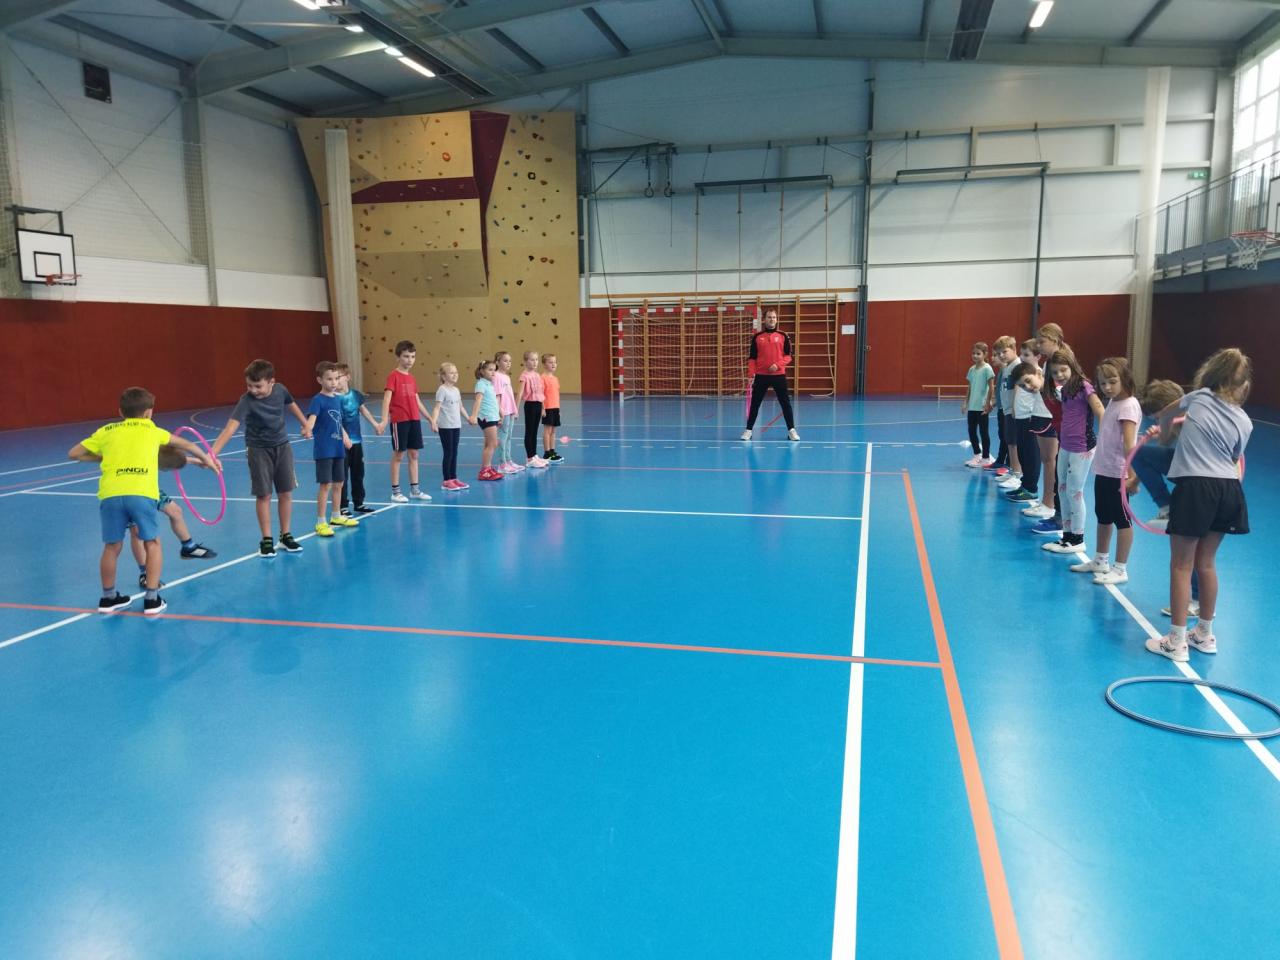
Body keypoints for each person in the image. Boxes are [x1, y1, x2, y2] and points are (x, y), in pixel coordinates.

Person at [69, 386, 218, 615]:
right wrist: (207, 460)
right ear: (149, 412)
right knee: (152, 543)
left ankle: (108, 598)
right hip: (141, 492)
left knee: (111, 547)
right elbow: (187, 445)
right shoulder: (153, 431)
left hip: (110, 494)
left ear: (120, 412)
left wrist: (104, 457)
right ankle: (151, 599)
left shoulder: (107, 431)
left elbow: (74, 454)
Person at [1145, 348, 1252, 662]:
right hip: (1229, 490)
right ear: (1243, 385)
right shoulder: (1245, 421)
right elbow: (1233, 458)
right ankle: (1204, 634)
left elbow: (1166, 415)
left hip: (1196, 488)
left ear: (1210, 375)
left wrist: (1164, 437)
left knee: (1181, 565)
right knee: (1206, 563)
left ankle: (1176, 641)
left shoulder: (1199, 396)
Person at [210, 358, 311, 559]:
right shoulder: (246, 401)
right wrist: (212, 453)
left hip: (282, 447)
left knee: (285, 492)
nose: (253, 390)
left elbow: (292, 405)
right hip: (258, 450)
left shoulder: (281, 390)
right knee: (263, 495)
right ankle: (266, 540)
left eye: (258, 386)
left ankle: (286, 536)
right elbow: (230, 428)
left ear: (271, 382)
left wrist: (305, 424)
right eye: (249, 385)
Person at [1070, 358, 1141, 584]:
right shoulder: (1113, 402)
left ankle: (1120, 568)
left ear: (1124, 379)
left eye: (1112, 382)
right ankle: (1101, 560)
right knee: (1103, 516)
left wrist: (1132, 475)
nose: (1107, 387)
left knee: (1122, 520)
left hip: (1119, 473)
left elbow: (1129, 444)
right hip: (1104, 470)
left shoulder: (1128, 405)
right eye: (1102, 383)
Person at [1040, 350, 1104, 555]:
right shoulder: (1065, 389)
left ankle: (1078, 538)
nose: (1059, 375)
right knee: (1062, 490)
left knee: (1075, 492)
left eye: (1063, 370)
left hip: (1082, 447)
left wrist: (1108, 439)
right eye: (1055, 372)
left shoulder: (1084, 386)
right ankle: (1067, 536)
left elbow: (1099, 410)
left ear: (1072, 367)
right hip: (1065, 445)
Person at [126, 489, 217, 589]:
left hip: (148, 485)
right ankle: (145, 574)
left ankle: (188, 547)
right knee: (137, 529)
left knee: (175, 511)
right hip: (128, 489)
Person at [305, 361, 357, 537]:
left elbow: (338, 422)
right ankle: (321, 522)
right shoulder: (317, 400)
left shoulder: (336, 399)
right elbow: (312, 419)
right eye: (329, 379)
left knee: (339, 483)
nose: (334, 382)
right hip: (324, 450)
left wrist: (345, 436)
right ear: (320, 380)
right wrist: (308, 428)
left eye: (336, 378)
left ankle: (336, 516)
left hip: (337, 448)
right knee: (325, 485)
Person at [379, 340, 433, 503]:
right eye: (406, 356)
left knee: (414, 454)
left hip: (414, 419)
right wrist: (384, 420)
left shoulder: (411, 378)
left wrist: (430, 418)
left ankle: (415, 490)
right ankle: (395, 492)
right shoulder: (393, 376)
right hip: (400, 420)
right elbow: (386, 399)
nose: (410, 360)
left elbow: (417, 400)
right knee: (399, 454)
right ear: (398, 357)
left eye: (412, 357)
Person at [1004, 343, 1052, 509]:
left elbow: (1039, 401)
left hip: (1031, 418)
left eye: (1026, 354)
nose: (1022, 357)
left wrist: (1032, 415)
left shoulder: (1038, 375)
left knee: (1032, 454)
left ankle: (1031, 489)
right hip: (1021, 417)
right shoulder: (1023, 375)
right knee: (1023, 453)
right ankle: (1025, 485)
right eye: (1021, 354)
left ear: (1037, 356)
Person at [741, 308, 800, 441]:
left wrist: (777, 365)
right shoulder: (757, 337)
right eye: (769, 317)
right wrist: (751, 375)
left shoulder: (783, 336)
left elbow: (788, 356)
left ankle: (791, 430)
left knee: (785, 403)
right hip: (761, 376)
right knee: (755, 404)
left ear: (776, 320)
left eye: (774, 317)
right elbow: (752, 358)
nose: (772, 319)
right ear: (764, 319)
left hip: (779, 376)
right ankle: (748, 430)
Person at [336, 362, 382, 517]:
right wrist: (344, 437)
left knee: (358, 473)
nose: (336, 381)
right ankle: (342, 505)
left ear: (347, 377)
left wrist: (375, 424)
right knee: (342, 476)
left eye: (339, 377)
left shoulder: (355, 395)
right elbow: (335, 420)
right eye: (333, 378)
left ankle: (359, 502)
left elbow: (363, 410)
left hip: (356, 442)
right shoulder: (333, 398)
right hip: (340, 443)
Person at [430, 362, 468, 490]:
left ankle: (453, 478)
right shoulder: (442, 390)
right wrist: (433, 421)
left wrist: (468, 418)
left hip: (456, 425)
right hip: (445, 426)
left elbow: (460, 407)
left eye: (456, 372)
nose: (455, 375)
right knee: (448, 452)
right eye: (451, 373)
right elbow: (437, 407)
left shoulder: (456, 390)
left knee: (454, 452)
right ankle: (446, 481)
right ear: (443, 376)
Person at [987, 335, 1019, 476]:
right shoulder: (1007, 368)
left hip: (1013, 411)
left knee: (1013, 442)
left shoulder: (1016, 366)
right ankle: (1012, 470)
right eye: (998, 353)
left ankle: (1015, 471)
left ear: (1014, 349)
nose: (1001, 355)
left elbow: (1018, 389)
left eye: (1004, 352)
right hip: (1006, 409)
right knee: (1008, 440)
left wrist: (1014, 407)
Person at [470, 359, 504, 481]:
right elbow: (478, 400)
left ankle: (487, 468)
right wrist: (474, 415)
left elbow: (493, 401)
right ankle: (485, 471)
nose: (493, 372)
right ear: (482, 371)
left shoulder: (490, 384)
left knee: (489, 443)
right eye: (490, 370)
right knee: (493, 444)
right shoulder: (481, 384)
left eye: (494, 370)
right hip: (486, 417)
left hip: (492, 416)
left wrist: (500, 413)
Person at [962, 341, 995, 467]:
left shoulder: (987, 369)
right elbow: (970, 387)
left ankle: (986, 458)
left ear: (985, 354)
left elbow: (991, 387)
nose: (975, 356)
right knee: (971, 431)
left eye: (978, 353)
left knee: (983, 432)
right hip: (972, 406)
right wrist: (965, 402)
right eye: (973, 353)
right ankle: (977, 455)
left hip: (982, 407)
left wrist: (988, 403)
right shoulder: (972, 369)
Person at [516, 350, 549, 468]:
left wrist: (543, 408)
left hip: (538, 405)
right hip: (530, 406)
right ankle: (529, 458)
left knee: (535, 432)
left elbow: (540, 393)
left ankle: (534, 455)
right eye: (532, 360)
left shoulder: (537, 375)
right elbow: (520, 393)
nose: (535, 362)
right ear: (526, 361)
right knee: (529, 432)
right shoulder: (524, 376)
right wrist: (516, 409)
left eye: (536, 360)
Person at [493, 351, 523, 474]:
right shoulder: (496, 376)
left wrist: (515, 410)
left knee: (509, 436)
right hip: (503, 412)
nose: (508, 363)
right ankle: (502, 463)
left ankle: (509, 460)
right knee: (503, 437)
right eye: (505, 361)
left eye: (510, 361)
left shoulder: (506, 377)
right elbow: (497, 396)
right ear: (497, 362)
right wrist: (500, 412)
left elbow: (509, 396)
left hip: (510, 410)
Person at [540, 353, 564, 463]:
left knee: (553, 431)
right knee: (547, 430)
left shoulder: (555, 378)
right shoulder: (542, 378)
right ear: (544, 364)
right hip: (547, 408)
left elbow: (556, 394)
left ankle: (552, 451)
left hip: (555, 408)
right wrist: (543, 408)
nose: (553, 364)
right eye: (550, 362)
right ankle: (547, 453)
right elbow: (540, 395)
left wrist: (558, 409)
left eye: (555, 362)